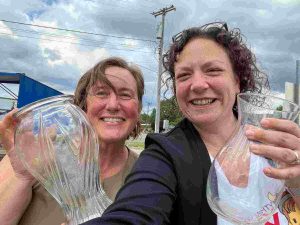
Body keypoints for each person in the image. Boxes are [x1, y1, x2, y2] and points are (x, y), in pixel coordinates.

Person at [80, 22, 300, 225]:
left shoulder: (277, 148)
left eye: (213, 70)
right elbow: (133, 214)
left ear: (237, 81)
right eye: (184, 76)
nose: (197, 84)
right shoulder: (165, 154)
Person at [0, 56, 144, 225]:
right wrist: (22, 177)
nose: (113, 105)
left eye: (125, 95)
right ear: (84, 105)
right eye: (101, 93)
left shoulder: (147, 173)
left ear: (139, 108)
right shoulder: (34, 153)